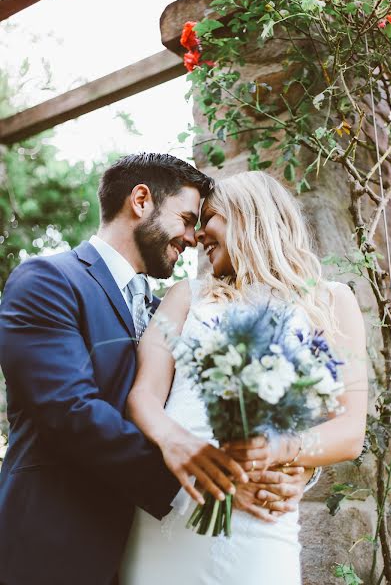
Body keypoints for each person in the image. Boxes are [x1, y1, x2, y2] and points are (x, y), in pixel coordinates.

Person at [0, 154, 310, 585]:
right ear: (141, 200)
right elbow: (69, 411)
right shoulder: (48, 280)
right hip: (55, 545)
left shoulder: (168, 309)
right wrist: (199, 483)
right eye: (185, 218)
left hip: (140, 546)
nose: (191, 236)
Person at [120, 171, 369, 584]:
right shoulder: (186, 296)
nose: (198, 237)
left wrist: (282, 450)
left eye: (210, 218)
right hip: (174, 508)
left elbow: (349, 431)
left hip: (260, 520)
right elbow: (143, 396)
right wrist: (185, 450)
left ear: (250, 217)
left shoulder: (331, 301)